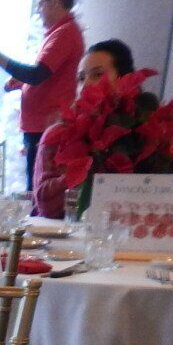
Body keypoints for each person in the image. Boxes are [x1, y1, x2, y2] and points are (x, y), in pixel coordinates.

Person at [0, 0, 84, 189]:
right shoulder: (59, 32)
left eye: (41, 3)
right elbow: (46, 75)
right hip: (41, 125)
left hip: (47, 125)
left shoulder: (65, 33)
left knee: (37, 188)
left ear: (55, 2)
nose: (38, 10)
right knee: (34, 184)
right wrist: (22, 83)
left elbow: (36, 74)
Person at [30, 39, 134, 220]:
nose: (85, 84)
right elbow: (45, 205)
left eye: (97, 75)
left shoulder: (139, 132)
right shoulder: (57, 133)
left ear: (124, 79)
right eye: (80, 78)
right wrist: (82, 172)